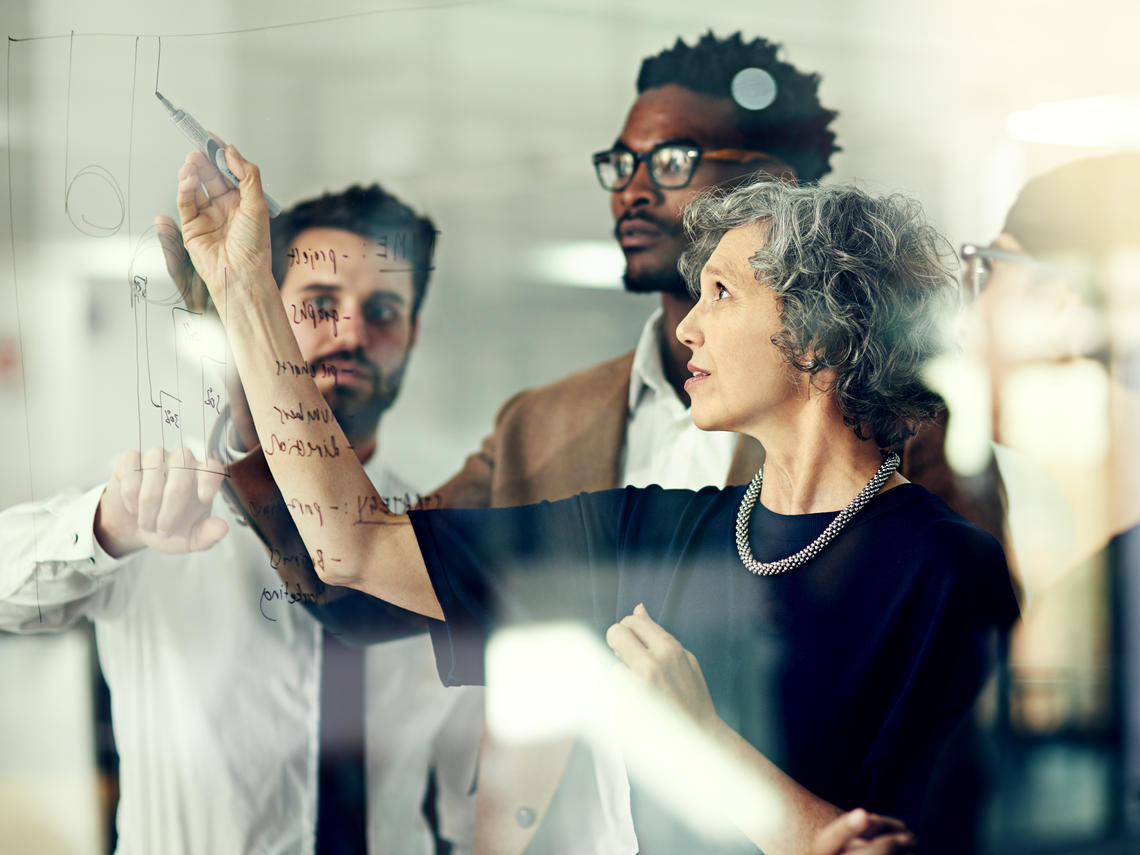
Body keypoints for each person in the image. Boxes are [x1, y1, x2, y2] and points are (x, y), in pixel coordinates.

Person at [174, 140, 1019, 853]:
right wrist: (245, 288)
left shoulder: (947, 567)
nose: (687, 325)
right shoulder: (653, 528)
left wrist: (705, 740)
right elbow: (350, 546)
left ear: (819, 335)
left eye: (722, 293)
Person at [428, 30, 1004, 853]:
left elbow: (938, 784)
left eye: (668, 161)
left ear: (769, 190)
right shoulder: (540, 421)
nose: (630, 189)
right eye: (619, 163)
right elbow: (360, 569)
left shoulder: (914, 463)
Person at [0, 184, 479, 854]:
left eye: (383, 310)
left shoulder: (441, 543)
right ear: (264, 313)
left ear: (413, 333)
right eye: (318, 304)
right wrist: (107, 527)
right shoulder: (153, 500)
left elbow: (469, 804)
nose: (350, 333)